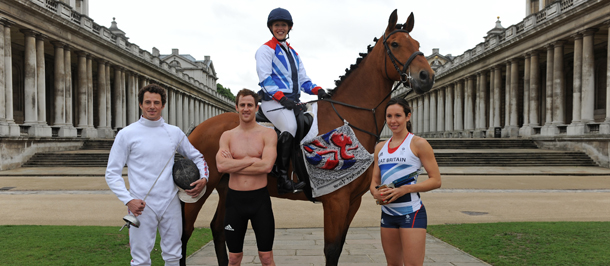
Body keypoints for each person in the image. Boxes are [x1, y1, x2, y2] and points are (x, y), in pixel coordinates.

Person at [105, 84, 209, 266]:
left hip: (171, 203)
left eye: (156, 102)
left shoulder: (174, 132)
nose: (152, 106)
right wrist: (128, 200)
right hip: (141, 205)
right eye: (147, 102)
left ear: (162, 105)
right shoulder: (126, 134)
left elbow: (197, 156)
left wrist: (204, 178)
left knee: (173, 255)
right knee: (140, 258)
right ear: (140, 104)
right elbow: (112, 173)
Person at [255, 7, 329, 194]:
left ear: (289, 28)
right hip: (273, 102)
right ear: (271, 27)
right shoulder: (265, 49)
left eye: (284, 25)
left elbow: (303, 80)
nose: (280, 28)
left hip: (291, 102)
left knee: (312, 128)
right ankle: (281, 178)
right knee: (290, 127)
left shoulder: (293, 53)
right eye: (276, 25)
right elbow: (265, 79)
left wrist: (318, 90)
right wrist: (281, 98)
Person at [369, 97, 442, 266]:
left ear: (408, 116)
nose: (393, 121)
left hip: (412, 212)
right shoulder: (380, 147)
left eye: (398, 116)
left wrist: (405, 190)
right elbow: (374, 181)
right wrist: (375, 193)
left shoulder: (418, 144)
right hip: (387, 214)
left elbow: (436, 180)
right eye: (389, 116)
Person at [216, 89, 278, 266]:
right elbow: (221, 166)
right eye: (242, 105)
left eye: (249, 105)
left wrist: (235, 163)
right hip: (234, 202)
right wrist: (252, 160)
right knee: (234, 258)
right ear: (236, 107)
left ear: (256, 108)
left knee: (266, 257)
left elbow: (266, 166)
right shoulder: (227, 136)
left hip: (259, 201)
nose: (246, 109)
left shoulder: (268, 134)